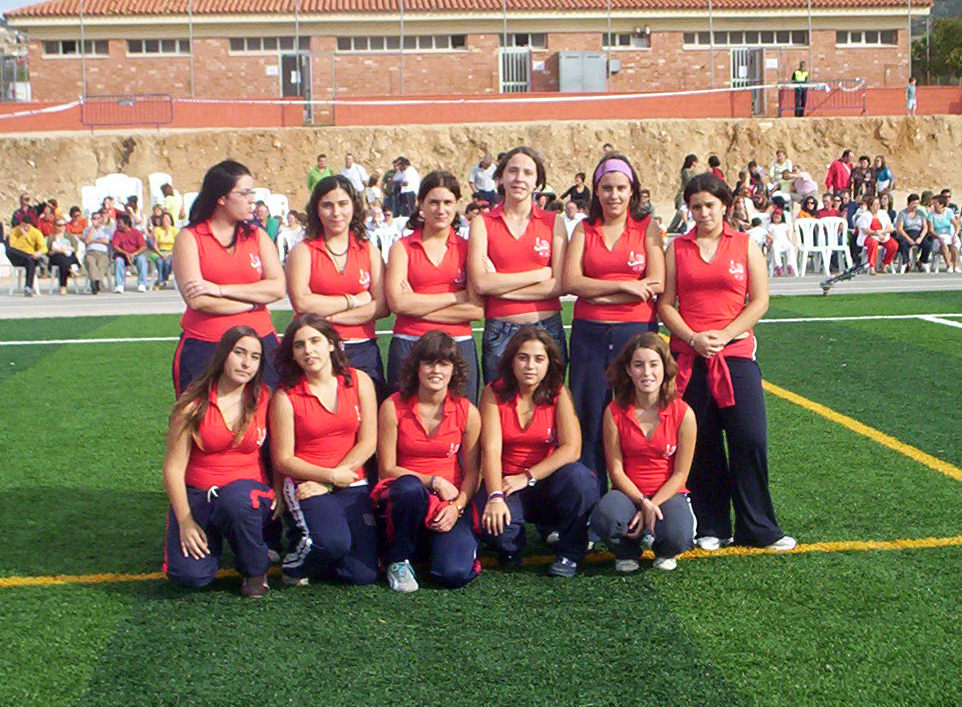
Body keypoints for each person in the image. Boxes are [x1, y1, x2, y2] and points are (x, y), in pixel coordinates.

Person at [657, 172, 795, 552]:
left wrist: (726, 334)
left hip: (735, 354)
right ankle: (713, 526)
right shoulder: (677, 248)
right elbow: (665, 303)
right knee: (701, 442)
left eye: (710, 205)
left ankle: (759, 527)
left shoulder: (746, 245)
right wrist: (693, 338)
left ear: (725, 206)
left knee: (749, 438)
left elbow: (759, 301)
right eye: (695, 206)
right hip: (689, 356)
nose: (703, 213)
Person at [564, 152, 664, 488]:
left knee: (634, 415)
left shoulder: (648, 228)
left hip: (636, 333)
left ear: (632, 190)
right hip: (589, 334)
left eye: (621, 188)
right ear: (596, 191)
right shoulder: (584, 228)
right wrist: (625, 286)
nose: (614, 195)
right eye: (607, 188)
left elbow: (656, 284)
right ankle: (590, 500)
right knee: (589, 415)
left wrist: (595, 292)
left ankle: (637, 497)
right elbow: (571, 282)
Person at [161, 325, 275, 597]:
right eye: (239, 352)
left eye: (255, 357)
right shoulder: (192, 404)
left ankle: (255, 569)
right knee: (190, 576)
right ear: (223, 355)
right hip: (200, 493)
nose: (246, 363)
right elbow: (173, 468)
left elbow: (279, 452)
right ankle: (212, 538)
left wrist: (281, 491)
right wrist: (186, 521)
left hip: (247, 495)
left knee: (236, 501)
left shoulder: (265, 398)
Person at [476, 327, 598, 577]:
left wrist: (527, 476)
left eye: (539, 359)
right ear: (511, 360)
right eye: (523, 358)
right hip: (507, 484)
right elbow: (490, 449)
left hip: (544, 481)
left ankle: (570, 553)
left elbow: (572, 449)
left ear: (549, 363)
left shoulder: (559, 392)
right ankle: (510, 544)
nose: (530, 366)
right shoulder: (493, 392)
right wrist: (495, 496)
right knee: (503, 539)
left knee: (580, 479)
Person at [269, 315, 379, 586]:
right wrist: (327, 477)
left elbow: (369, 441)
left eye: (315, 341)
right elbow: (283, 459)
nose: (308, 350)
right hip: (306, 484)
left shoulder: (359, 380)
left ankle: (322, 546)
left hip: (350, 481)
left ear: (331, 344)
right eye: (299, 345)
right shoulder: (285, 396)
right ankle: (294, 564)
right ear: (293, 354)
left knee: (362, 575)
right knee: (333, 542)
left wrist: (332, 479)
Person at [375, 331, 482, 592]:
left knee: (453, 575)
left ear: (454, 370)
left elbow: (473, 472)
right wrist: (433, 481)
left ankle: (432, 547)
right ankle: (398, 559)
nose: (436, 371)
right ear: (416, 367)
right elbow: (386, 469)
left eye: (443, 364)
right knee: (410, 488)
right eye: (429, 363)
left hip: (447, 503)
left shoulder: (467, 411)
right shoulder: (393, 406)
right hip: (406, 498)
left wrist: (456, 507)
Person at [171, 159, 285, 395]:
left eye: (252, 193)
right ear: (221, 197)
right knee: (204, 416)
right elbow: (198, 300)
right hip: (206, 345)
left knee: (267, 413)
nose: (252, 200)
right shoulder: (190, 237)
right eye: (244, 193)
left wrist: (220, 289)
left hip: (260, 342)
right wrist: (253, 302)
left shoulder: (257, 236)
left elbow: (277, 288)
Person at [589, 333, 696, 572]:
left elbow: (681, 474)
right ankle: (628, 551)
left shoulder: (684, 413)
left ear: (665, 368)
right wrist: (641, 502)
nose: (646, 372)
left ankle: (664, 547)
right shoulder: (614, 412)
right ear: (628, 370)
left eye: (653, 364)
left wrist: (652, 504)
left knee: (678, 536)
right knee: (605, 518)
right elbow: (616, 472)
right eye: (638, 365)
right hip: (628, 493)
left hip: (668, 494)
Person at [468, 146, 568, 383]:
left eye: (527, 172)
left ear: (537, 182)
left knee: (549, 400)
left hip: (547, 328)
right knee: (499, 401)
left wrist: (500, 287)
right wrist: (540, 274)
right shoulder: (482, 223)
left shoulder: (553, 222)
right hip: (500, 330)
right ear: (501, 177)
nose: (519, 178)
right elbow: (481, 284)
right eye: (512, 171)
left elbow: (560, 285)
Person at [286, 175, 388, 399]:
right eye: (327, 205)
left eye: (343, 204)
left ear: (354, 206)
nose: (336, 212)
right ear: (316, 210)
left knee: (369, 414)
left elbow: (381, 307)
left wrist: (330, 319)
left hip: (363, 350)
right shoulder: (303, 251)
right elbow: (302, 302)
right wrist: (354, 300)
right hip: (315, 350)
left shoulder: (369, 251)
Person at [385, 170, 483, 403]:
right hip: (409, 342)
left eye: (447, 202)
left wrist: (415, 304)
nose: (441, 209)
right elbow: (397, 303)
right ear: (421, 204)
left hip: (458, 344)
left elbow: (476, 310)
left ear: (457, 204)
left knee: (461, 415)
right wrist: (456, 297)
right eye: (433, 202)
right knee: (405, 416)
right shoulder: (402, 248)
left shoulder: (468, 248)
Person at [856, 195, 897, 275]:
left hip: (882, 235)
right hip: (870, 236)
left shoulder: (883, 213)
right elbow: (865, 230)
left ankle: (884, 263)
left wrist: (883, 232)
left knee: (894, 245)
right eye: (875, 204)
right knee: (873, 243)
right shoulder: (865, 215)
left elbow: (889, 227)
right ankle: (872, 266)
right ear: (870, 206)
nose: (877, 206)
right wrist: (876, 233)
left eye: (878, 204)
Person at [6, 218, 47, 296]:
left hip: (30, 256)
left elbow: (44, 248)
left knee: (30, 262)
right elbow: (13, 246)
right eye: (23, 226)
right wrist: (22, 236)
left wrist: (37, 253)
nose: (25, 228)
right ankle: (32, 258)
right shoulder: (15, 231)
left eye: (27, 226)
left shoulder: (36, 233)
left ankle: (28, 288)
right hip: (18, 256)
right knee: (9, 250)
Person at [110, 213, 150, 293]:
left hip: (135, 254)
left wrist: (134, 254)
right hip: (122, 255)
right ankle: (119, 285)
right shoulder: (117, 233)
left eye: (120, 223)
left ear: (126, 224)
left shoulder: (136, 232)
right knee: (118, 261)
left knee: (142, 259)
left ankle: (142, 284)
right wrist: (126, 253)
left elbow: (143, 246)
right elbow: (115, 246)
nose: (118, 225)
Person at [895, 194, 930, 273]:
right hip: (907, 233)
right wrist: (908, 239)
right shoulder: (903, 213)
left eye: (917, 203)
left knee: (927, 245)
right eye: (913, 203)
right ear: (908, 203)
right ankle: (907, 262)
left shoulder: (920, 213)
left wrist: (921, 237)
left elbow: (925, 227)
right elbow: (900, 228)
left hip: (918, 233)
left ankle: (921, 261)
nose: (915, 205)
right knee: (903, 244)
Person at [927, 195, 961, 273]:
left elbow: (956, 225)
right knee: (943, 243)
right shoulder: (931, 215)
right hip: (937, 236)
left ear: (941, 204)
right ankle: (949, 265)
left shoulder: (948, 212)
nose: (934, 205)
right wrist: (938, 237)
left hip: (949, 234)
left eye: (936, 203)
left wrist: (955, 234)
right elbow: (931, 230)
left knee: (954, 243)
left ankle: (955, 265)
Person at [47, 217, 81, 294]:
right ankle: (70, 270)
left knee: (64, 263)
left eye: (64, 225)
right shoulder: (51, 237)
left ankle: (63, 286)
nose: (62, 227)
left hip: (69, 256)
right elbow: (47, 250)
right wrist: (52, 251)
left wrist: (67, 248)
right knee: (62, 259)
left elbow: (75, 247)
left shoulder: (69, 236)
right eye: (59, 225)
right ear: (55, 226)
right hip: (57, 256)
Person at [83, 210, 112, 294]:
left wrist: (93, 241)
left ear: (101, 219)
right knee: (90, 262)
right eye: (94, 218)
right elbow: (87, 241)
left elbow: (106, 241)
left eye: (98, 218)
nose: (96, 220)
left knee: (102, 263)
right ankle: (96, 282)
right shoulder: (87, 230)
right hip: (90, 252)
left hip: (103, 253)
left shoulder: (106, 230)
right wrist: (92, 229)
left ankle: (96, 282)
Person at [766, 208, 797, 277]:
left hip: (784, 241)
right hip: (776, 241)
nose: (776, 218)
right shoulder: (771, 225)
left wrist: (790, 241)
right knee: (775, 248)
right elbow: (768, 234)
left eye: (778, 216)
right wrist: (770, 242)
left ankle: (790, 265)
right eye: (775, 216)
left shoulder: (784, 225)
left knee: (790, 247)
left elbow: (787, 234)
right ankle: (778, 266)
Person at [151, 211, 178, 289]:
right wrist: (160, 253)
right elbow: (155, 244)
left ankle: (162, 280)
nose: (165, 221)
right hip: (159, 251)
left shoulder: (174, 230)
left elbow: (177, 245)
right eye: (164, 219)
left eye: (167, 219)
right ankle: (161, 281)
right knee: (159, 262)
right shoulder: (157, 229)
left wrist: (169, 254)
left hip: (170, 252)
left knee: (167, 263)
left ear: (171, 220)